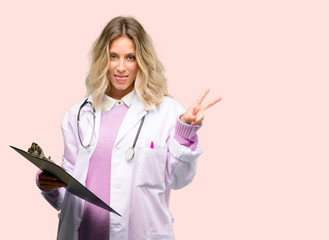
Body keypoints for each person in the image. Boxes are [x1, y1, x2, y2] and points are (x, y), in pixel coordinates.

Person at [36, 16, 221, 240]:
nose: (121, 67)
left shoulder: (167, 112)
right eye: (113, 57)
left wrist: (184, 131)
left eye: (130, 57)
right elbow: (68, 197)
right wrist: (50, 186)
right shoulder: (77, 115)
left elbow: (179, 180)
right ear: (102, 59)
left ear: (142, 60)